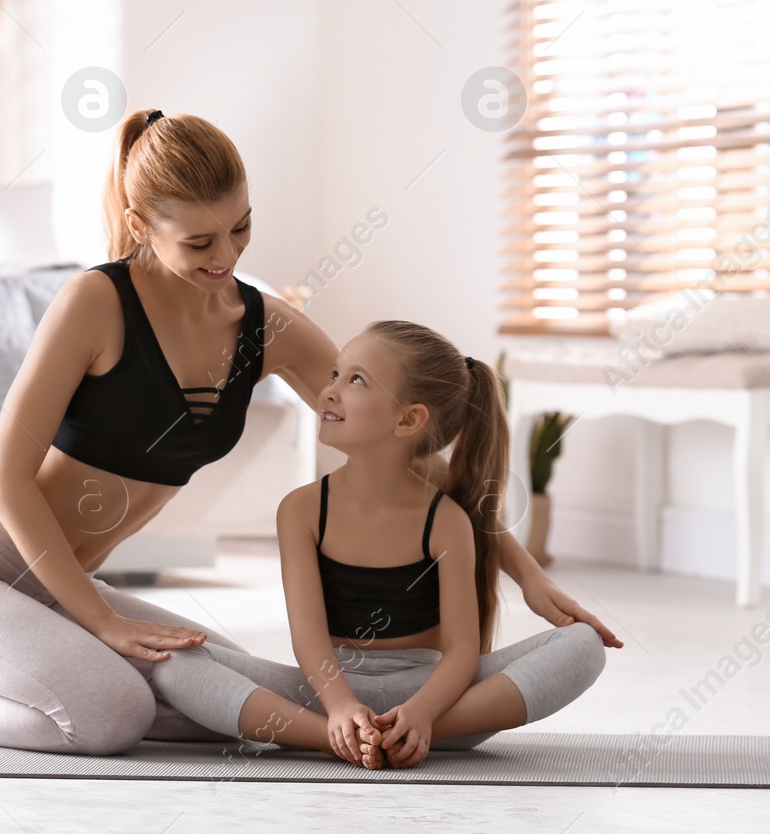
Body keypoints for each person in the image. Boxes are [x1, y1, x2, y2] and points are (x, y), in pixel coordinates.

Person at [0, 109, 619, 755]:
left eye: (241, 229)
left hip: (59, 588)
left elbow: (393, 437)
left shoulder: (262, 324)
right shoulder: (95, 303)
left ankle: (17, 663)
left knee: (234, 702)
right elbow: (9, 475)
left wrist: (523, 570)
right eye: (201, 242)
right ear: (141, 225)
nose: (228, 257)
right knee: (112, 715)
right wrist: (103, 620)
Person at [148, 320, 614, 768]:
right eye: (334, 374)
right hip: (323, 694)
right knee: (176, 664)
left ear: (409, 420)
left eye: (355, 380)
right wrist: (340, 707)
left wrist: (424, 714)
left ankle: (395, 734)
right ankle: (343, 739)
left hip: (437, 700)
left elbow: (460, 652)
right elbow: (308, 640)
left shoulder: (447, 520)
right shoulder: (301, 510)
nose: (327, 390)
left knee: (583, 644)